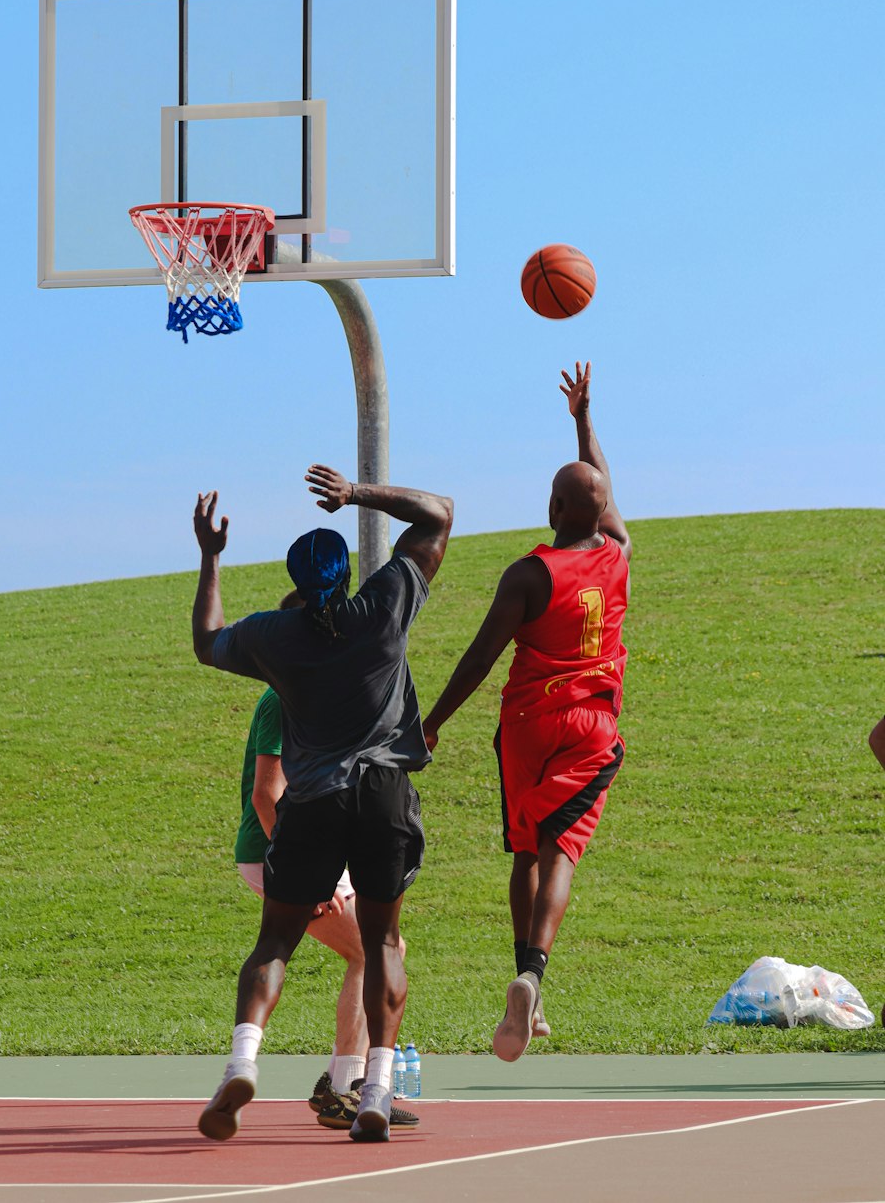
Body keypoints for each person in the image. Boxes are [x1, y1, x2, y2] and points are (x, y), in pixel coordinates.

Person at [193, 464, 453, 1142]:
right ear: (346, 574)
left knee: (275, 940)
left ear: (296, 584)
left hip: (312, 800)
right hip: (384, 792)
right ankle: (374, 1090)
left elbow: (205, 639)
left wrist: (210, 558)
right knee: (382, 940)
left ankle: (240, 1066)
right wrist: (356, 495)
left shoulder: (274, 638)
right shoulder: (387, 602)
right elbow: (438, 512)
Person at [421, 362, 631, 1062]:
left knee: (523, 849)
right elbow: (605, 488)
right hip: (589, 727)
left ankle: (525, 987)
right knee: (562, 849)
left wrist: (434, 721)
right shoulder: (618, 556)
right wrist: (583, 421)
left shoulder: (528, 574)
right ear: (599, 513)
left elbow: (479, 658)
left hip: (524, 726)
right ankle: (532, 978)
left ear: (553, 509)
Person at [234, 606, 419, 1132]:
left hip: (306, 847)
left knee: (383, 949)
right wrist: (310, 879)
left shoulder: (314, 691)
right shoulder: (280, 698)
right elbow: (268, 796)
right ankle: (344, 1087)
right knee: (371, 949)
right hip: (272, 849)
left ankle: (347, 1081)